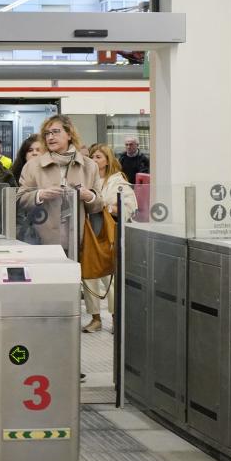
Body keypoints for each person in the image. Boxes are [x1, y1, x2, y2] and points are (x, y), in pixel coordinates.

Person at [17, 116, 104, 251]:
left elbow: (98, 206)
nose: (50, 137)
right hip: (40, 241)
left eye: (55, 132)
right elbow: (20, 200)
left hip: (77, 242)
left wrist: (89, 196)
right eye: (47, 134)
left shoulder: (89, 166)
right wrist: (40, 194)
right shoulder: (33, 166)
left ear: (69, 134)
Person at [84, 143, 138, 333]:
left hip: (109, 233)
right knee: (88, 275)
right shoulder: (86, 178)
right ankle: (95, 318)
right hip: (88, 231)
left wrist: (106, 207)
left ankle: (116, 318)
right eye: (92, 156)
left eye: (98, 156)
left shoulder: (117, 181)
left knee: (110, 277)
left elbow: (129, 207)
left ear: (107, 160)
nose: (94, 160)